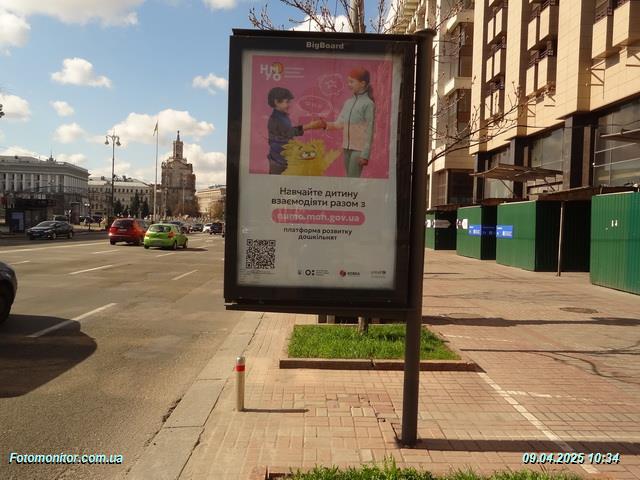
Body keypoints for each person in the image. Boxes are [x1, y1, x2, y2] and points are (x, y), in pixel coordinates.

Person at [325, 68, 375, 178]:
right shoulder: (348, 102)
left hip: (359, 149)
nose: (349, 84)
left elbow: (369, 130)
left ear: (362, 83)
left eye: (352, 82)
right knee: (348, 178)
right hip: (346, 148)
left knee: (353, 180)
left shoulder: (368, 104)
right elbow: (339, 123)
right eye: (348, 82)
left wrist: (365, 154)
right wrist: (324, 125)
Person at [266, 87, 325, 174]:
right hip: (279, 159)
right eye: (287, 102)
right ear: (276, 102)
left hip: (282, 156)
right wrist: (310, 126)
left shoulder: (282, 116)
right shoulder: (276, 119)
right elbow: (289, 132)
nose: (289, 105)